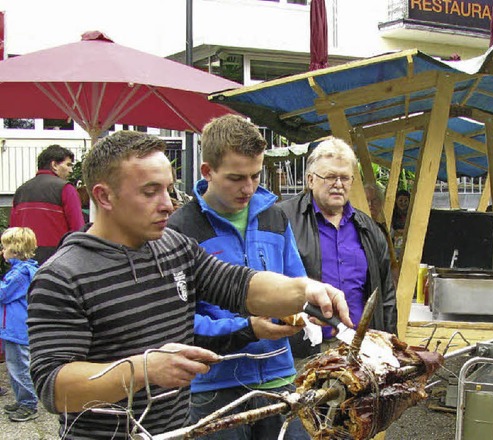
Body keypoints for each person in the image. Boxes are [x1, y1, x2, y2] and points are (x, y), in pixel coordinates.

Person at [27, 131, 351, 440]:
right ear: (104, 196)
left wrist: (304, 292)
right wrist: (143, 369)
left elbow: (241, 285)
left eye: (168, 189)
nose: (168, 203)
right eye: (150, 191)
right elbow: (53, 389)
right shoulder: (62, 276)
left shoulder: (174, 247)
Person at [168, 115, 309, 439]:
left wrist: (306, 312)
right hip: (215, 387)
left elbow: (296, 286)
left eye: (255, 175)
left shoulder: (275, 216)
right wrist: (247, 329)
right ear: (207, 171)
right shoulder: (180, 229)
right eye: (236, 178)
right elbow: (178, 323)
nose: (248, 187)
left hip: (279, 377)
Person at [279, 137, 397, 352]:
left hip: (360, 348)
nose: (339, 184)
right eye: (331, 177)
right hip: (303, 348)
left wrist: (390, 343)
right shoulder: (282, 219)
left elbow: (386, 295)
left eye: (345, 178)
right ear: (310, 180)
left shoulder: (368, 228)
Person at [10, 144, 85, 264]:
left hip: (24, 262)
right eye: (68, 165)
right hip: (58, 261)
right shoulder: (66, 188)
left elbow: (12, 232)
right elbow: (78, 230)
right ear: (54, 165)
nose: (71, 170)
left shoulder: (20, 191)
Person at [0, 227, 39, 422]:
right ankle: (22, 399)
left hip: (17, 329)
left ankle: (28, 404)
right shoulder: (20, 271)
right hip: (13, 329)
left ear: (15, 250)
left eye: (4, 248)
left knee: (20, 367)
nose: (2, 252)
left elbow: (2, 294)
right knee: (14, 366)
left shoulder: (20, 274)